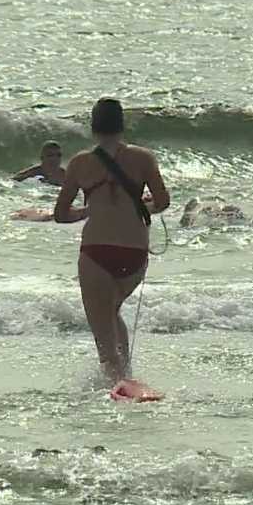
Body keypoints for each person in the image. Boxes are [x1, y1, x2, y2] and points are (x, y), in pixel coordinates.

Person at [54, 98, 170, 384]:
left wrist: (86, 210)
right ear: (122, 125)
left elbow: (60, 214)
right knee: (111, 311)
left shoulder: (80, 163)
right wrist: (143, 207)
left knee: (104, 338)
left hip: (97, 253)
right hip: (134, 254)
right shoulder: (143, 158)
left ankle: (116, 395)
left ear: (93, 127)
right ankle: (126, 378)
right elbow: (163, 202)